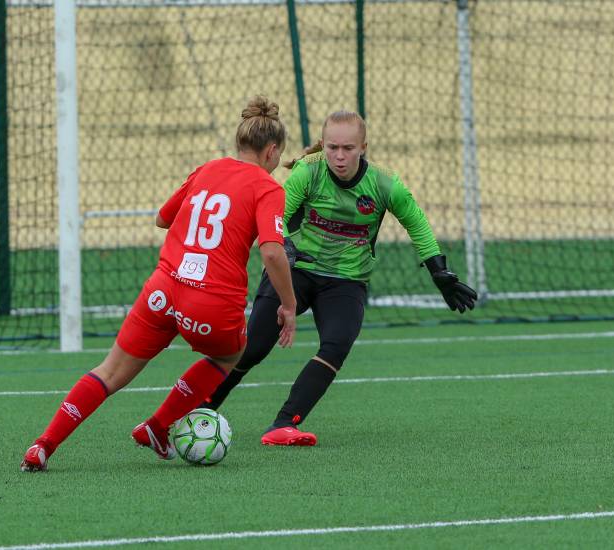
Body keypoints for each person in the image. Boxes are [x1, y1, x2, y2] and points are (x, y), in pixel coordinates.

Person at [20, 96, 297, 471]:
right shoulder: (268, 187)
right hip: (211, 302)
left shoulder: (207, 169)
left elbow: (163, 218)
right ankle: (157, 426)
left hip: (163, 289)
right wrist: (289, 305)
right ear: (272, 150)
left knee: (110, 372)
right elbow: (272, 253)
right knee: (229, 355)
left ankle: (43, 445)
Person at [200, 110, 477, 446]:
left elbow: (415, 222)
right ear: (323, 146)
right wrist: (284, 248)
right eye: (332, 147)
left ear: (363, 147)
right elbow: (278, 216)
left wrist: (438, 270)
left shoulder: (384, 183)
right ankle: (200, 408)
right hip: (296, 270)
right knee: (254, 347)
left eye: (348, 148)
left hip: (346, 280)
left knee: (336, 345)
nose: (340, 156)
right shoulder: (308, 171)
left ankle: (284, 424)